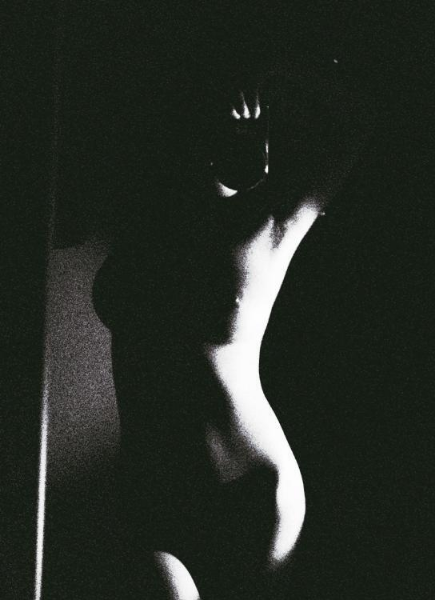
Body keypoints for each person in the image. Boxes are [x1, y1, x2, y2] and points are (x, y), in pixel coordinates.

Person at [94, 56, 375, 599]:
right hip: (156, 492)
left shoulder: (268, 222)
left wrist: (277, 73)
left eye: (253, 128)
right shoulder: (148, 223)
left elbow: (354, 125)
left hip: (249, 485)